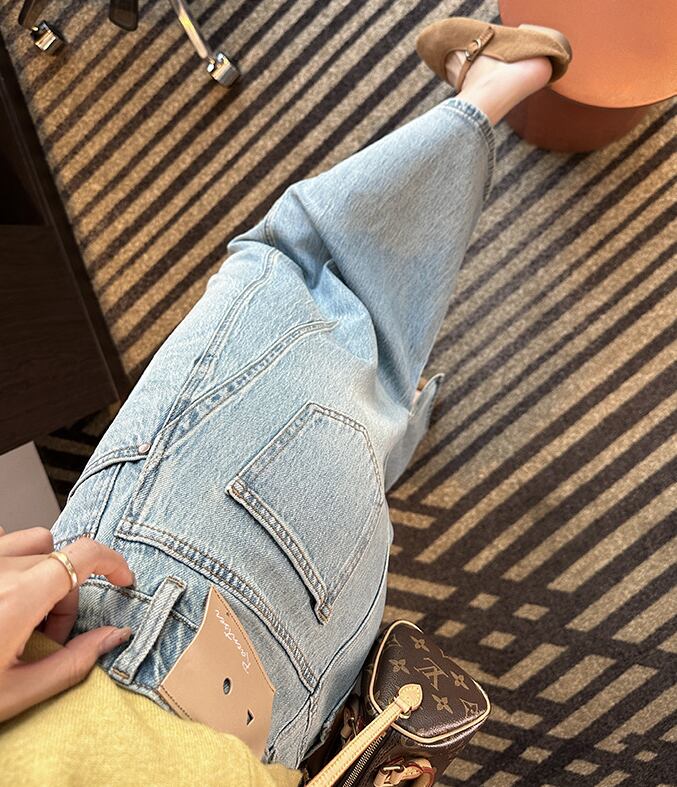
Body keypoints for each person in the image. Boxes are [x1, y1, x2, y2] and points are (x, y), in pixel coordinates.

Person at [0, 17, 571, 786]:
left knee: (339, 444)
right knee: (305, 277)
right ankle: (491, 87)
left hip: (276, 746)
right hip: (139, 641)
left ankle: (381, 435)